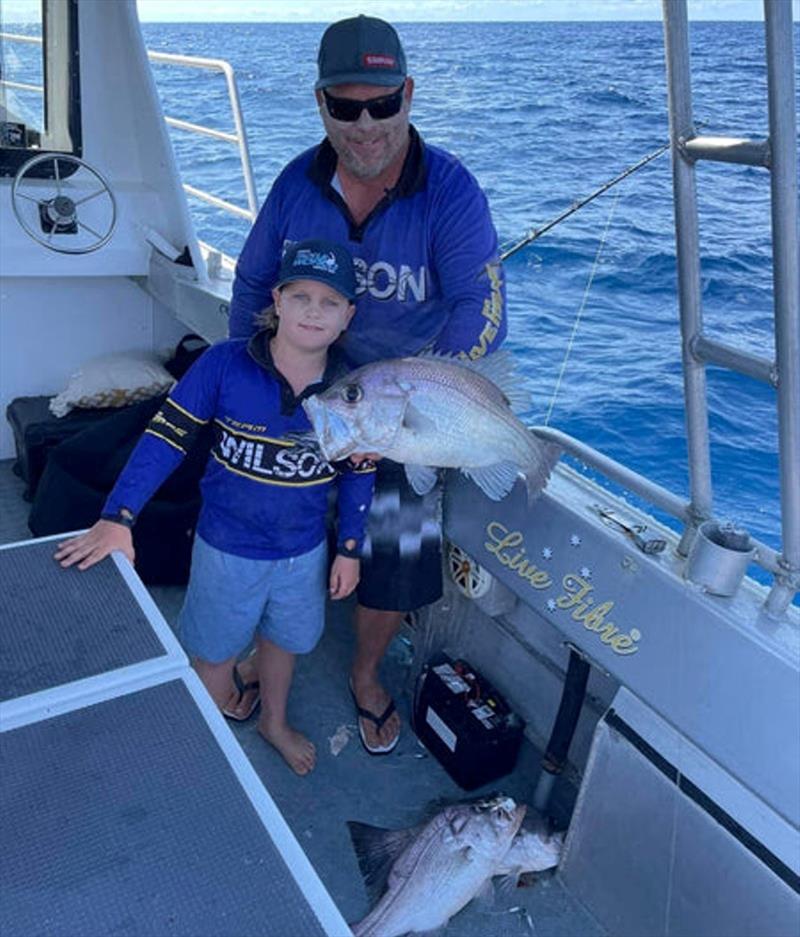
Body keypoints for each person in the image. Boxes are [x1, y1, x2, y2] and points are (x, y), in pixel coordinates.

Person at [227, 15, 507, 754]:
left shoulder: (450, 191)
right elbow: (253, 280)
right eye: (345, 106)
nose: (365, 124)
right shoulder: (297, 183)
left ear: (408, 94)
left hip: (411, 394)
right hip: (314, 378)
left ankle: (365, 671)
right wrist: (247, 382)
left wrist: (426, 388)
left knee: (401, 528)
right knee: (260, 496)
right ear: (320, 103)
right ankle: (268, 640)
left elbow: (484, 306)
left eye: (381, 103)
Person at [55, 239, 376, 776]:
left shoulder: (358, 387)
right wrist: (118, 516)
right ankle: (209, 752)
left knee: (283, 642)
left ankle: (273, 721)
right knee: (213, 657)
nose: (313, 312)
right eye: (300, 297)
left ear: (349, 316)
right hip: (225, 550)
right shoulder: (223, 364)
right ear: (277, 300)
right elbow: (165, 438)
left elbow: (360, 471)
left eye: (329, 302)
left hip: (304, 552)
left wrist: (349, 548)